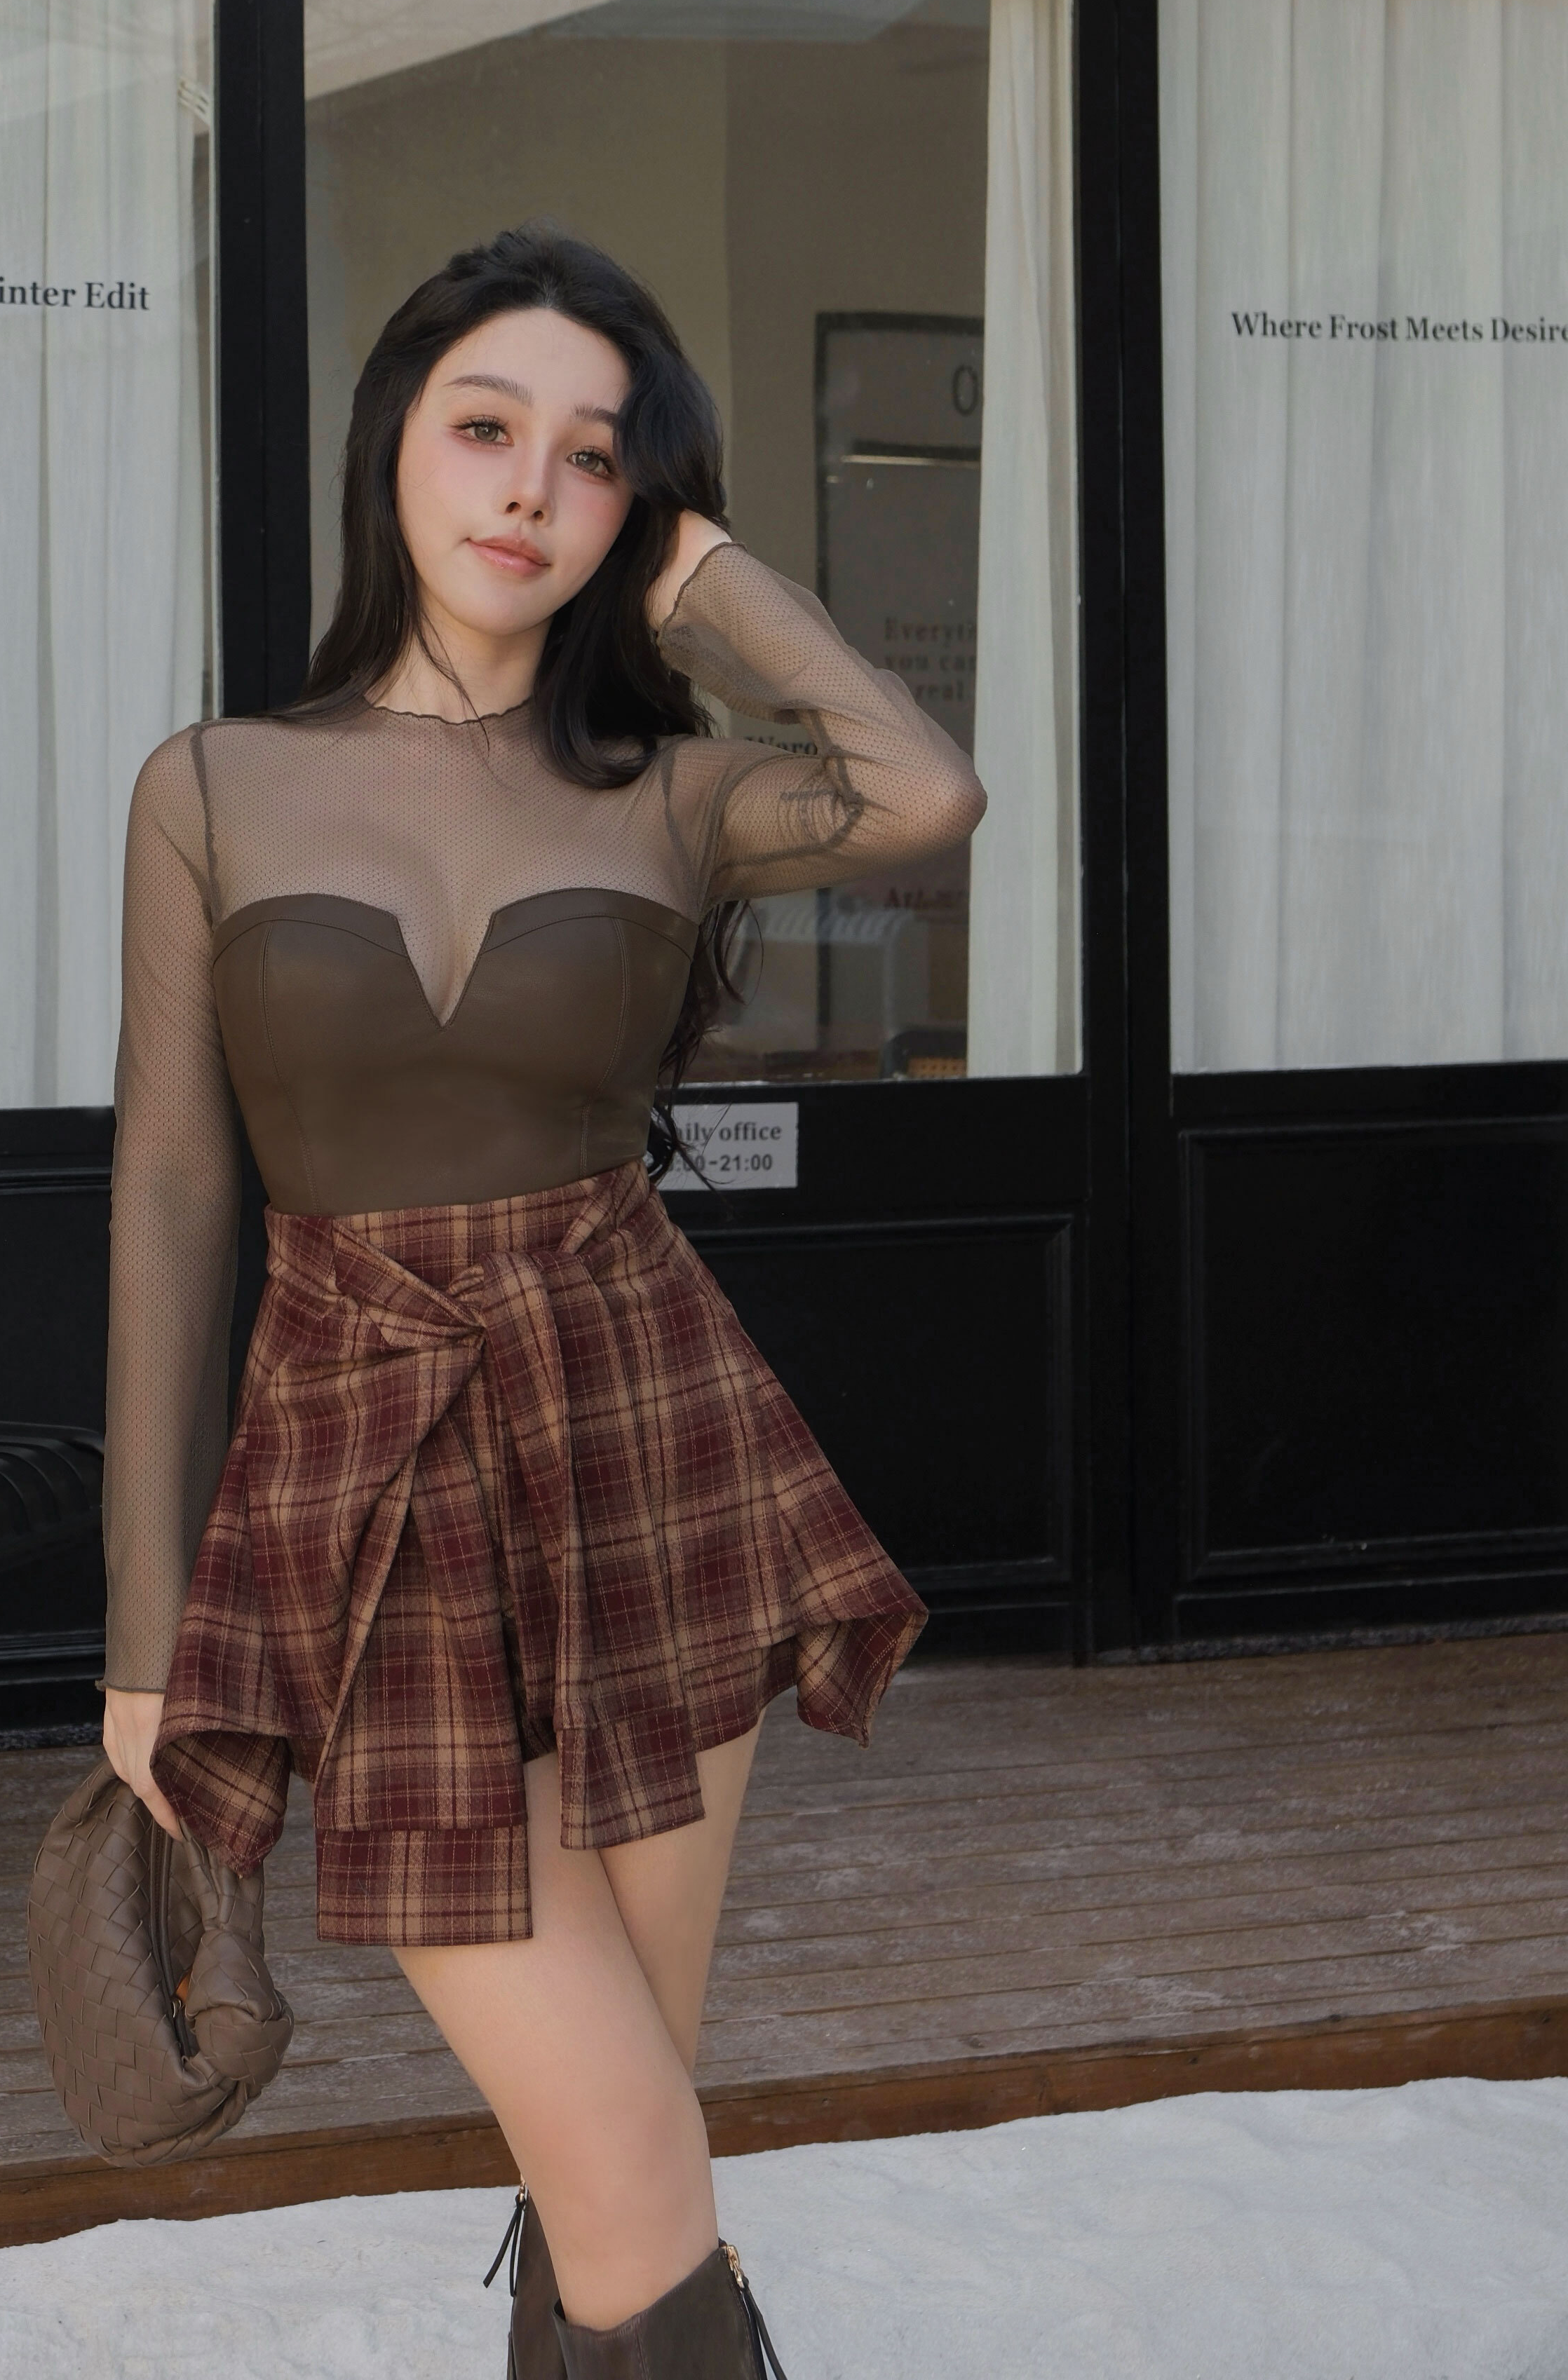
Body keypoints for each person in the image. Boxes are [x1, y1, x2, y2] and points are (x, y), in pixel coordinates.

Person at [100, 224, 985, 2378]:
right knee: (627, 2152)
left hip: (646, 1439)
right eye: (485, 425)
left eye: (593, 457)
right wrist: (145, 1635)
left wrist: (701, 577)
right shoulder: (212, 784)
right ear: (393, 441)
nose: (527, 488)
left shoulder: (671, 789)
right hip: (365, 1470)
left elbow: (926, 789)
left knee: (621, 2140)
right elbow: (174, 1197)